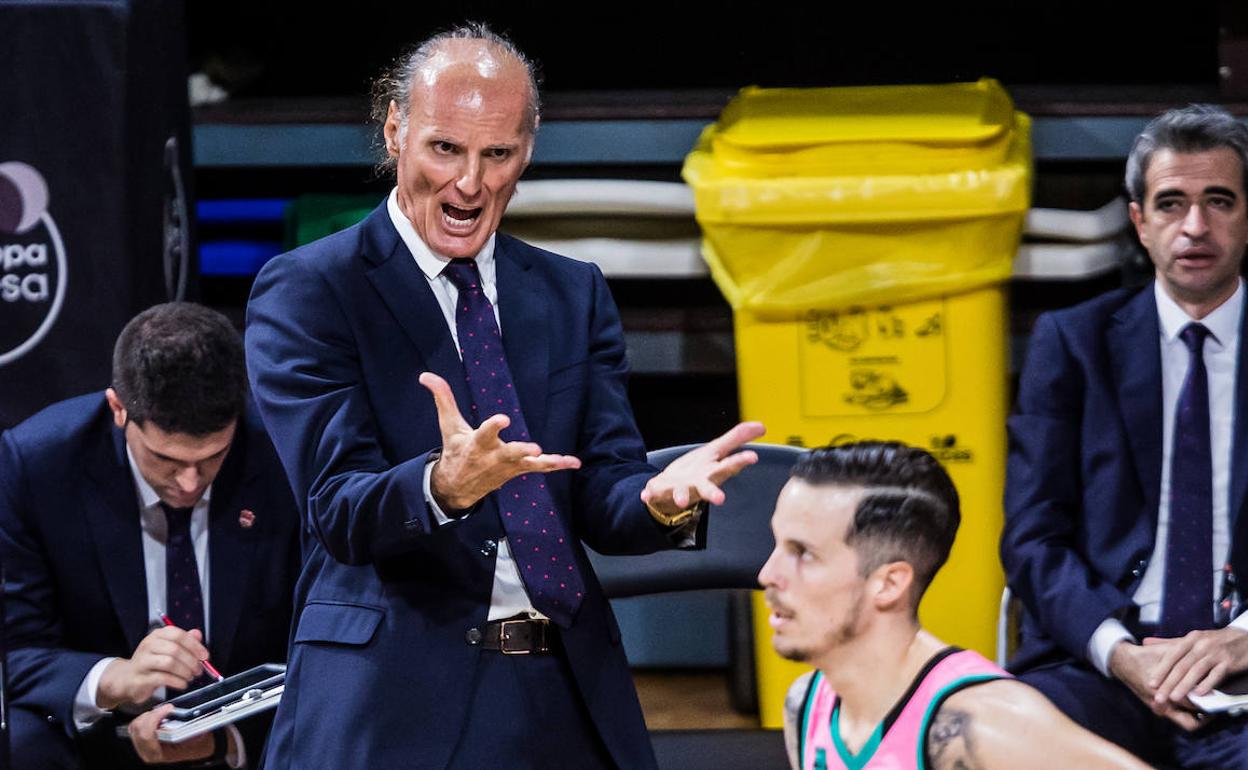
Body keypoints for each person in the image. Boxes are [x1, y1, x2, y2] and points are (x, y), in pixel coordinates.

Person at [243, 22, 765, 770]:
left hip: (562, 691)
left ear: (528, 150)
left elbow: (602, 489)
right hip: (395, 695)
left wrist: (659, 500)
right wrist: (441, 486)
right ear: (394, 132)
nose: (470, 183)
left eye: (497, 155)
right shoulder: (313, 290)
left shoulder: (571, 292)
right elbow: (337, 508)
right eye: (445, 148)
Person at [1002, 103, 1248, 767]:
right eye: (1171, 204)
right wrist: (1120, 653)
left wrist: (1243, 639)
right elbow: (1033, 538)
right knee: (1007, 738)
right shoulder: (1072, 343)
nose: (1195, 226)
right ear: (1139, 222)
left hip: (1243, 665)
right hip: (1103, 663)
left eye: (1218, 201)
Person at [0, 302, 303, 768]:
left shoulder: (281, 452)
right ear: (118, 409)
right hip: (93, 735)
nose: (189, 482)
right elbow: (16, 649)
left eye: (212, 457)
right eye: (166, 460)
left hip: (253, 733)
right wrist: (114, 679)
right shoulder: (40, 465)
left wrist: (227, 740)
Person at [762, 441, 1150, 770]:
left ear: (889, 584)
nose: (767, 574)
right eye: (777, 544)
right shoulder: (807, 703)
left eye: (803, 553)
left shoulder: (985, 723)